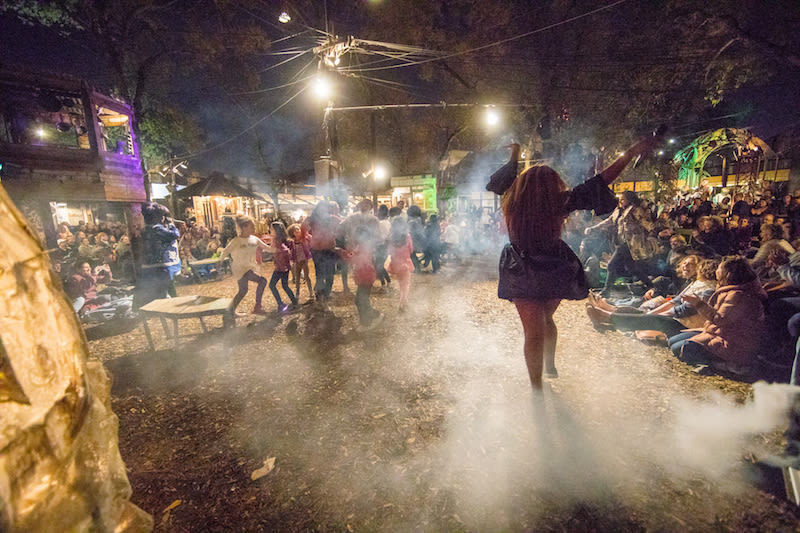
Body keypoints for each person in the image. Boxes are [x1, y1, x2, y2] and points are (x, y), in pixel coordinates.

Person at [486, 127, 666, 390]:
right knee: (543, 322)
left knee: (535, 328)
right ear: (552, 186)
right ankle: (546, 369)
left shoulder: (514, 198)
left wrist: (514, 155)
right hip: (551, 266)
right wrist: (631, 151)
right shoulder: (559, 201)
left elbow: (507, 178)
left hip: (524, 266)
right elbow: (602, 180)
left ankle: (539, 382)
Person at [667, 257, 766, 376]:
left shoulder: (739, 296)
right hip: (719, 333)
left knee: (682, 348)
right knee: (673, 341)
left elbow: (720, 319)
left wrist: (698, 304)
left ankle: (724, 364)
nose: (717, 271)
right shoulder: (729, 291)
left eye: (720, 268)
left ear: (728, 274)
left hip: (734, 343)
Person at [218, 216, 270, 316]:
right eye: (252, 226)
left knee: (243, 291)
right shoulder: (236, 241)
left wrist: (278, 250)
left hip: (248, 267)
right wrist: (220, 262)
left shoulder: (254, 239)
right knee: (262, 281)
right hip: (241, 268)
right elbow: (225, 251)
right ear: (244, 227)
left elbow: (266, 247)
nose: (254, 228)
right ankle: (257, 307)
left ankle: (229, 311)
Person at [134, 203, 180, 309]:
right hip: (161, 266)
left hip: (152, 265)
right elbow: (175, 235)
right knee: (165, 288)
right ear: (162, 218)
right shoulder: (157, 229)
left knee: (166, 287)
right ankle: (170, 307)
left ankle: (173, 303)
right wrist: (172, 225)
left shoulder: (146, 230)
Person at [266, 221, 298, 313]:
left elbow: (283, 250)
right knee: (284, 286)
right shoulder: (277, 239)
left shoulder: (276, 240)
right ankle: (293, 302)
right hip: (282, 267)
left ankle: (281, 304)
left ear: (276, 230)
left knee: (272, 285)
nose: (270, 230)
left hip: (281, 267)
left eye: (272, 229)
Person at [387, 217, 415, 312]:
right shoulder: (407, 236)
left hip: (395, 263)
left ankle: (405, 302)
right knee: (406, 284)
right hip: (405, 262)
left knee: (401, 284)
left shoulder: (390, 237)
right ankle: (402, 304)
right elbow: (411, 249)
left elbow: (389, 251)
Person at [287, 223, 314, 303]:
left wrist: (307, 234)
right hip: (297, 261)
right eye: (295, 230)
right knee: (297, 278)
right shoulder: (292, 242)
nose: (297, 231)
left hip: (304, 261)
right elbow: (290, 250)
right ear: (292, 233)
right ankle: (297, 293)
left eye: (298, 229)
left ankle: (311, 292)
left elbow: (311, 239)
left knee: (306, 276)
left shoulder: (304, 239)